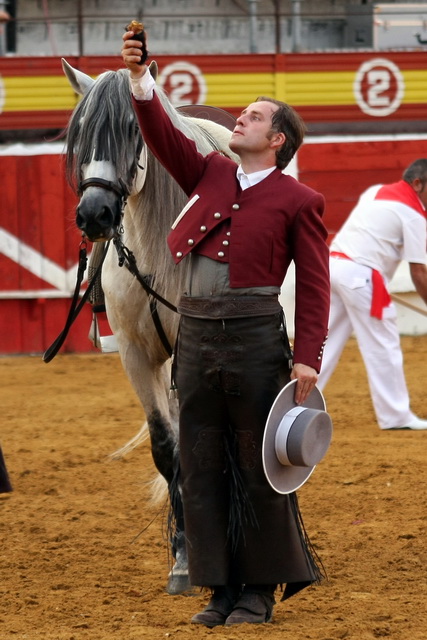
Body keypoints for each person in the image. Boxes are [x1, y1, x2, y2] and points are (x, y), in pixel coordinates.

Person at [121, 29, 330, 626]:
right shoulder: (209, 172)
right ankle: (218, 588)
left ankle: (259, 591)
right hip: (196, 338)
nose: (239, 118)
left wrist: (308, 357)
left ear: (277, 138)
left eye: (254, 116)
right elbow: (161, 133)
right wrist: (141, 80)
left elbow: (315, 286)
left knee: (255, 463)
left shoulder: (299, 200)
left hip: (257, 340)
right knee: (201, 460)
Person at [317, 159, 427, 431]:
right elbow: (419, 272)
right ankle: (395, 416)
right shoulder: (413, 214)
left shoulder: (376, 191)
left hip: (335, 266)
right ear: (417, 183)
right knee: (383, 345)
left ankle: (293, 403)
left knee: (323, 343)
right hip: (361, 278)